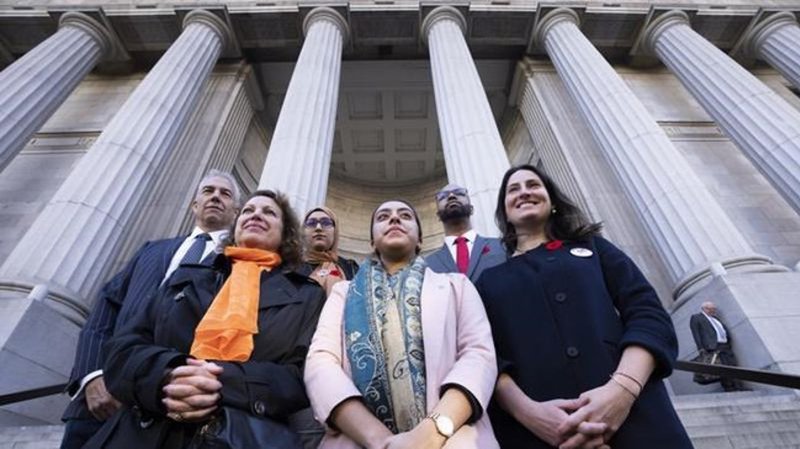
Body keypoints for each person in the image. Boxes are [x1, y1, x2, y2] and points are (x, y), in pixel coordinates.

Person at [84, 190, 326, 449]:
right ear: (235, 227)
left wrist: (220, 382)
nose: (256, 215)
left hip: (239, 436)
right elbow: (124, 346)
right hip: (144, 431)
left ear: (285, 233)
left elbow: (299, 375)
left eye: (269, 212)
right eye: (248, 210)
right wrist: (167, 375)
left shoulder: (307, 295)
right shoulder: (187, 276)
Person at [475, 164, 693, 449]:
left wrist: (622, 391)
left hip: (638, 418)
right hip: (541, 436)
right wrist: (530, 414)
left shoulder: (594, 248)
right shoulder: (488, 281)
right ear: (504, 212)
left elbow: (646, 312)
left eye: (533, 185)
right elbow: (488, 358)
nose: (524, 192)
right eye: (513, 189)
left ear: (552, 201)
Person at [60, 170, 240, 449]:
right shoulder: (151, 250)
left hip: (171, 404)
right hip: (103, 398)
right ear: (194, 205)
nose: (216, 197)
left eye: (225, 194)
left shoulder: (239, 265)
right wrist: (92, 375)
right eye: (208, 191)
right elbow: (106, 309)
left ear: (236, 212)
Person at [304, 199, 500, 449]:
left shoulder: (457, 285)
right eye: (383, 216)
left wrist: (430, 434)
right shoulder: (344, 292)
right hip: (357, 440)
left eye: (405, 215)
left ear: (420, 239)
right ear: (372, 241)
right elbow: (320, 362)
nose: (394, 218)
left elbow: (478, 355)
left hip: (453, 438)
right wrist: (381, 441)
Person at [425, 184, 505, 282]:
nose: (451, 196)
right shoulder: (427, 264)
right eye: (443, 196)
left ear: (471, 207)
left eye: (459, 193)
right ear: (437, 214)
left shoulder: (502, 246)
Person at [301, 206, 359, 295]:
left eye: (326, 222)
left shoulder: (351, 269)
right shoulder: (290, 267)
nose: (318, 228)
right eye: (311, 223)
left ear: (335, 231)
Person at [690, 301, 745, 391]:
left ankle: (738, 386)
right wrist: (701, 348)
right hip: (712, 347)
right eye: (711, 309)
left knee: (732, 365)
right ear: (705, 308)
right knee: (721, 368)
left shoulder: (715, 319)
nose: (713, 311)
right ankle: (730, 388)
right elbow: (696, 334)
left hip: (725, 345)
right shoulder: (696, 317)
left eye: (714, 309)